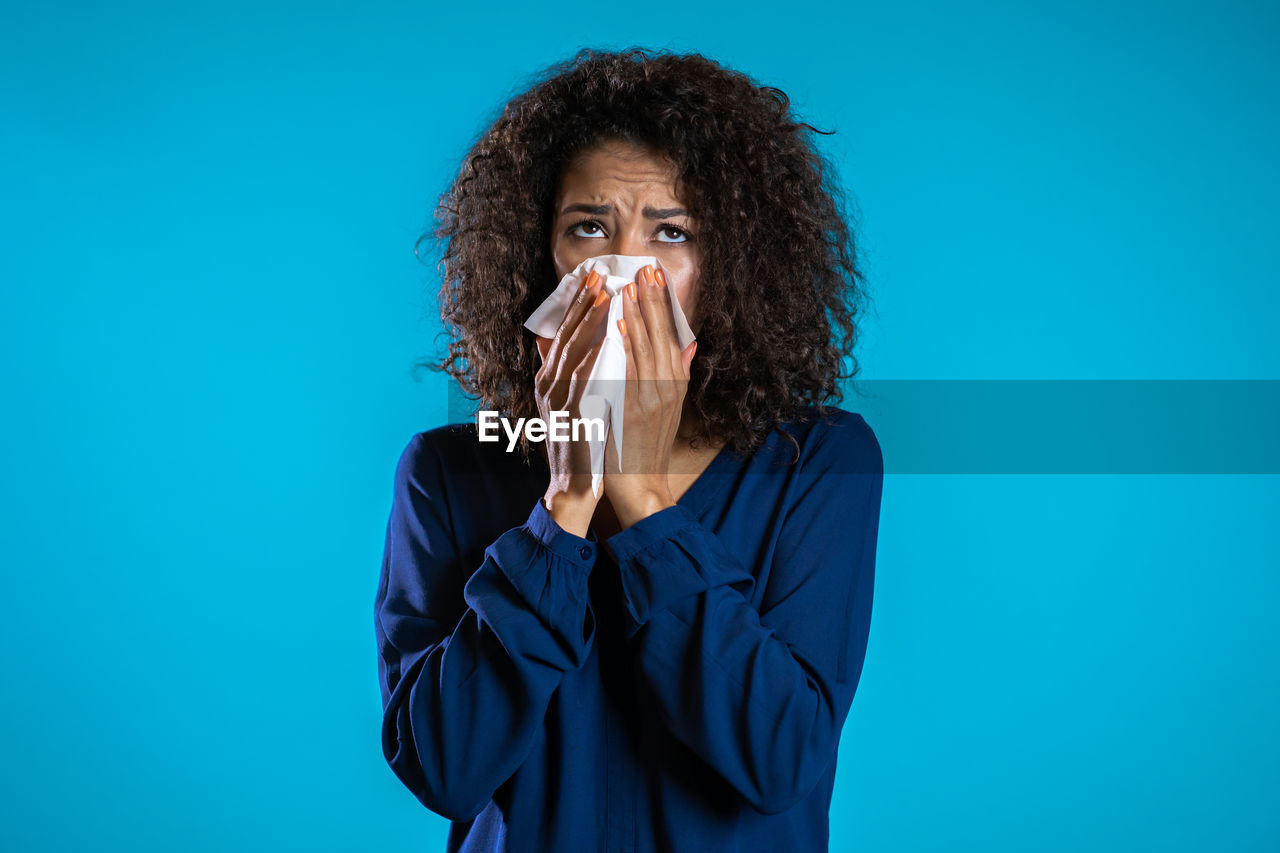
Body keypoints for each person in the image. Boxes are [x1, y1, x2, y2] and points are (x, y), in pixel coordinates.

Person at [374, 47, 884, 853]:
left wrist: (643, 498)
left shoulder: (819, 462)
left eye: (671, 232)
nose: (624, 271)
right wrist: (564, 504)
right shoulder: (448, 472)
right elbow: (442, 767)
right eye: (589, 227)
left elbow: (779, 756)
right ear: (536, 253)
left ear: (725, 270)